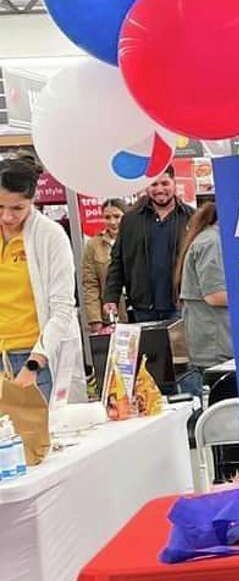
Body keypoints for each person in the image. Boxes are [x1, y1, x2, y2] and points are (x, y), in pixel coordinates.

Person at [0, 151, 81, 404]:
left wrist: (34, 364)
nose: (7, 217)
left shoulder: (51, 236)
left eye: (17, 208)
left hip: (36, 360)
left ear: (32, 200)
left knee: (44, 439)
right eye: (0, 206)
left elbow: (62, 308)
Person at [103, 166, 193, 325]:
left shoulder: (191, 218)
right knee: (150, 350)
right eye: (154, 184)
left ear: (174, 182)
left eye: (165, 183)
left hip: (182, 306)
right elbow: (117, 262)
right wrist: (111, 297)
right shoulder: (131, 220)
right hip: (143, 308)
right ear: (146, 186)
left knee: (181, 350)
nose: (160, 189)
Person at [175, 200, 231, 396]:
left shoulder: (208, 239)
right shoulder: (212, 242)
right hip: (215, 344)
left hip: (212, 341)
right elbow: (215, 296)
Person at [80, 199, 126, 333]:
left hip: (140, 310)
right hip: (112, 316)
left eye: (117, 216)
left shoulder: (136, 238)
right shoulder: (93, 245)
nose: (112, 222)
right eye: (107, 217)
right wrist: (95, 320)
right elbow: (90, 285)